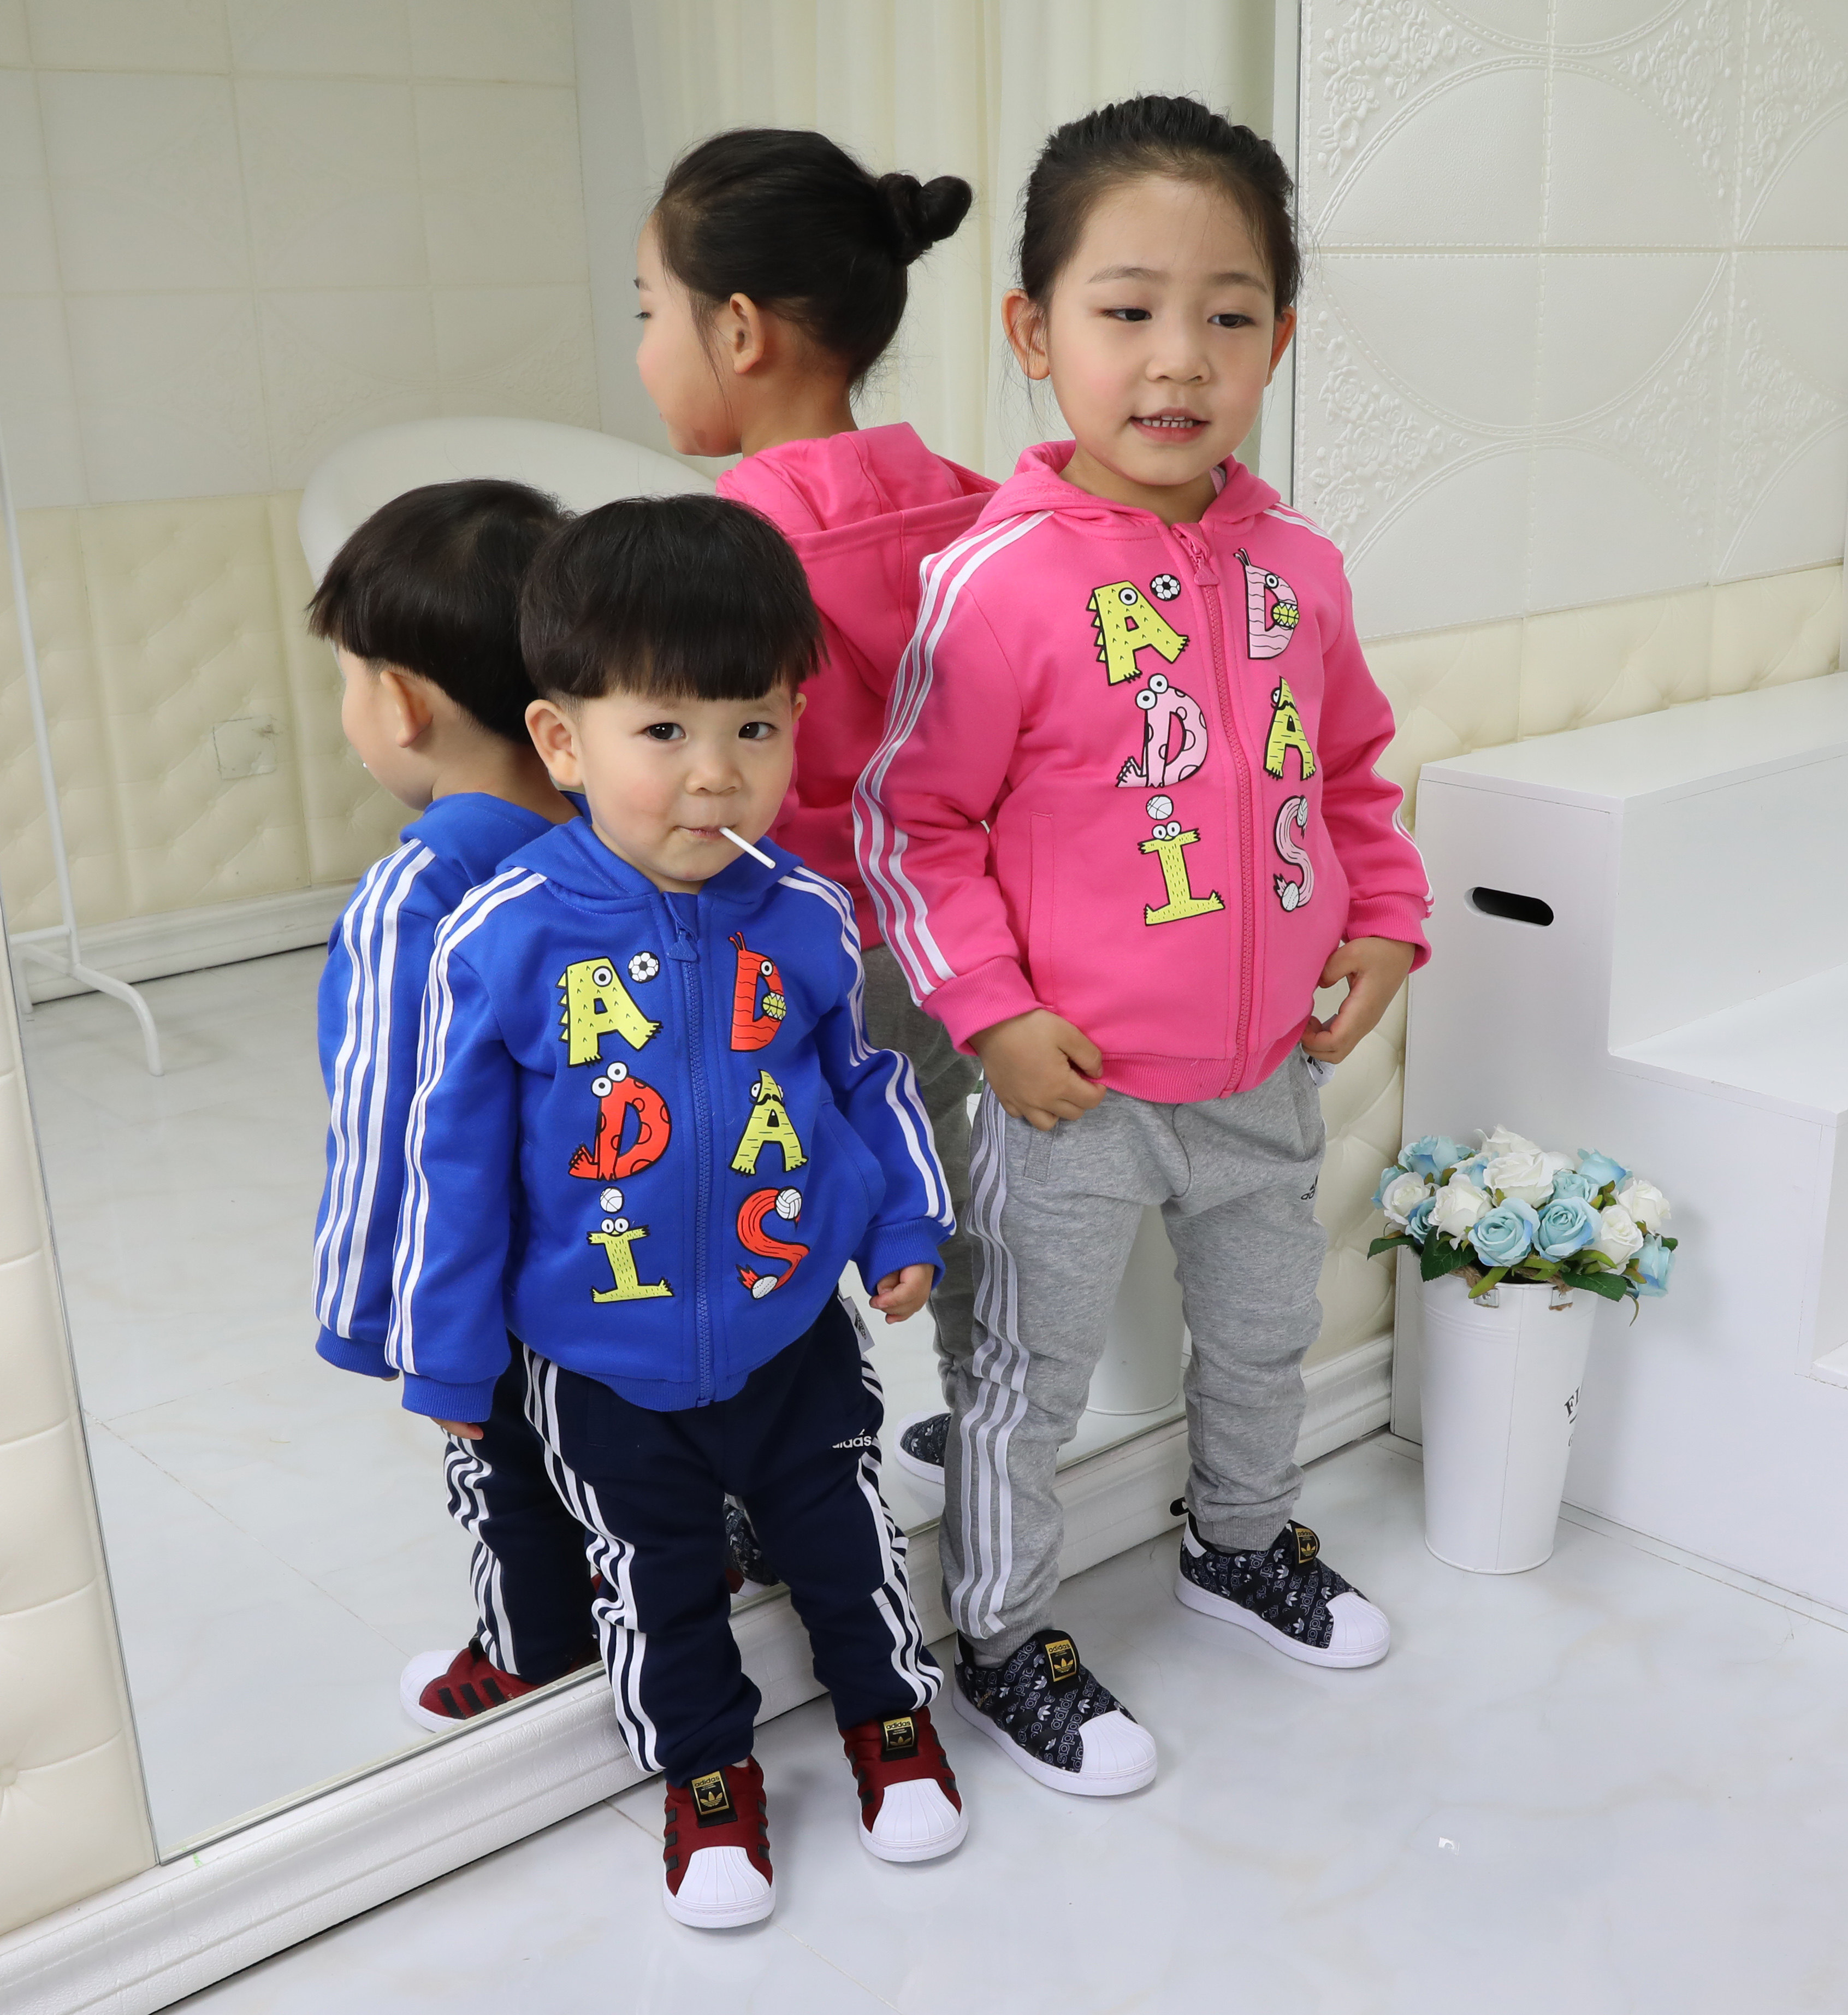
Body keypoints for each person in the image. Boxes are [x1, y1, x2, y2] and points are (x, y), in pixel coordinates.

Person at [856, 95, 1432, 1798]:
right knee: (1023, 1381)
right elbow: (911, 826)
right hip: (1071, 1094)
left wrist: (1385, 916)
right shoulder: (998, 583)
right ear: (1034, 333)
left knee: (1262, 1339)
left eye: (1228, 315)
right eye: (1127, 310)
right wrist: (991, 1015)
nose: (1179, 358)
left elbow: (1350, 773)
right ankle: (1001, 1632)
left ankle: (1238, 1543)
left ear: (1279, 341)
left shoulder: (1301, 570)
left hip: (1263, 1073)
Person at [387, 495, 966, 1928]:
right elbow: (452, 1166)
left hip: (792, 1329)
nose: (716, 774)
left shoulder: (805, 912)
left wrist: (899, 1226)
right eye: (664, 731)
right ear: (563, 740)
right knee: (655, 1588)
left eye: (753, 726)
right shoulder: (503, 934)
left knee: (846, 1541)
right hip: (601, 1364)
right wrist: (450, 1362)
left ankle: (890, 1719)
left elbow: (866, 1080)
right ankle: (707, 1777)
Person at [633, 129, 993, 1408]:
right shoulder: (978, 504)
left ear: (738, 331)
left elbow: (695, 782)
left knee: (755, 1195)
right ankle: (987, 1413)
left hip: (805, 951)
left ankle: (775, 1454)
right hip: (968, 940)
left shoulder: (722, 553)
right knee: (945, 1171)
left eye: (647, 313)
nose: (643, 350)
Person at [307, 479, 603, 1730]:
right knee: (642, 1438)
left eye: (345, 682)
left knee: (507, 1470)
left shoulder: (417, 894)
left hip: (493, 1275)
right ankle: (676, 1570)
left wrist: (372, 1308)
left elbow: (389, 1122)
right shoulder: (631, 837)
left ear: (402, 704)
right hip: (637, 1249)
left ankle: (533, 1656)